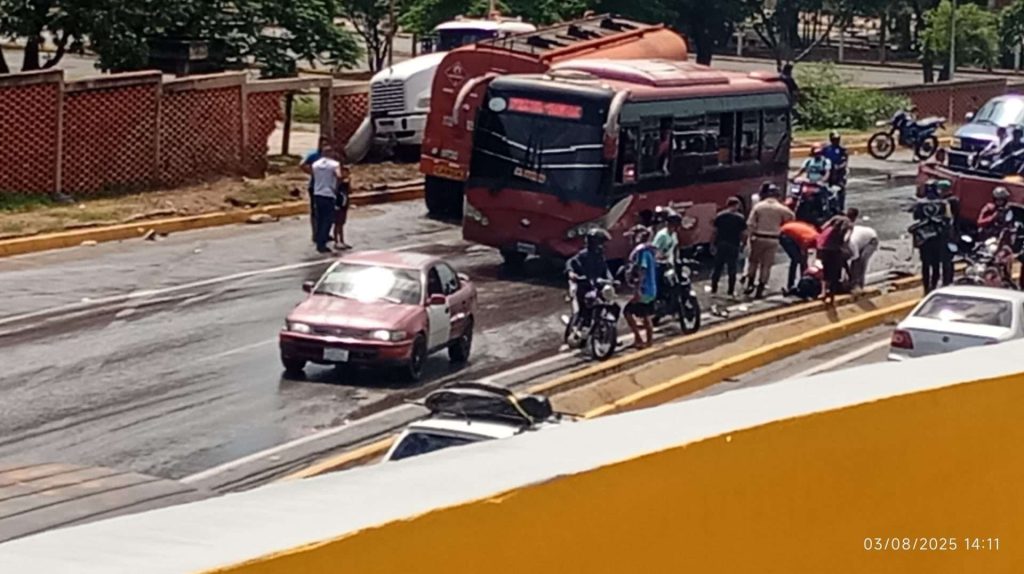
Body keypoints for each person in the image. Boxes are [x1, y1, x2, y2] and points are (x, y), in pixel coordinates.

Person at [746, 182, 795, 299]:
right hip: (773, 239)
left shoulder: (759, 206)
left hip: (758, 237)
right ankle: (760, 289)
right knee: (766, 266)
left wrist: (750, 236)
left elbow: (750, 223)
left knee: (753, 262)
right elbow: (792, 218)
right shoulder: (782, 208)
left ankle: (750, 284)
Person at [911, 180, 953, 293]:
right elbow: (948, 219)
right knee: (936, 264)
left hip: (924, 237)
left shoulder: (919, 203)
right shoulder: (943, 203)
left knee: (925, 264)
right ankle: (933, 287)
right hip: (938, 237)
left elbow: (915, 217)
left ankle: (926, 289)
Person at [566, 228, 613, 326]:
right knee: (583, 308)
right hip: (584, 285)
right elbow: (570, 262)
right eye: (601, 242)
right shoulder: (583, 254)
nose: (603, 245)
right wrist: (571, 273)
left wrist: (611, 280)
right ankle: (578, 324)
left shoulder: (599, 255)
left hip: (597, 286)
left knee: (612, 305)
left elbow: (605, 268)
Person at [624, 225, 658, 349]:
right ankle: (644, 340)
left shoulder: (642, 253)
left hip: (645, 290)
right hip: (651, 289)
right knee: (645, 315)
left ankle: (643, 340)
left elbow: (642, 272)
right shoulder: (649, 252)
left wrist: (637, 290)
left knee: (629, 312)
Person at [711, 197, 747, 297]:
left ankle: (714, 289)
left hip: (721, 244)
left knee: (717, 267)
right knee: (732, 268)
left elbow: (714, 232)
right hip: (733, 244)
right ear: (736, 205)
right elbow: (743, 233)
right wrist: (743, 245)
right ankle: (730, 291)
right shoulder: (740, 218)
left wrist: (712, 244)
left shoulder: (720, 216)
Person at [311, 144, 343, 253]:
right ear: (331, 153)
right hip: (329, 193)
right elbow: (339, 176)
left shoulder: (315, 164)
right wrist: (336, 187)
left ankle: (318, 240)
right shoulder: (334, 164)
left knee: (319, 219)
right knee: (327, 220)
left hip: (317, 193)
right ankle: (323, 243)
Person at [817, 212, 853, 304]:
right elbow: (846, 238)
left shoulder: (836, 217)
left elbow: (823, 227)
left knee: (825, 270)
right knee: (835, 273)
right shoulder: (849, 224)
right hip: (835, 250)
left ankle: (823, 292)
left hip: (823, 247)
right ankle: (832, 297)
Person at [301, 136, 330, 243]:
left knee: (327, 213)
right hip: (315, 187)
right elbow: (302, 165)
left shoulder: (331, 157)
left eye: (327, 144)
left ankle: (324, 233)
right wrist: (313, 173)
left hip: (328, 188)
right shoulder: (314, 156)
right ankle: (315, 233)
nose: (325, 147)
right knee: (315, 212)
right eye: (323, 144)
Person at [779, 220, 818, 292]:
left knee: (802, 260)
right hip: (786, 234)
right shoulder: (811, 239)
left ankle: (803, 281)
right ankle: (791, 284)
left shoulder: (815, 237)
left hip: (793, 233)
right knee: (796, 259)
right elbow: (804, 249)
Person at [845, 208, 878, 292]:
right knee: (854, 264)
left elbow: (855, 259)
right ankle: (852, 283)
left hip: (871, 240)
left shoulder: (852, 244)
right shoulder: (842, 240)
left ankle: (859, 285)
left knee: (861, 261)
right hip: (861, 238)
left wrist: (850, 275)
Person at [823, 131, 849, 210]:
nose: (836, 141)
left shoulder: (842, 149)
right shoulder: (826, 149)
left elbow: (845, 161)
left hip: (840, 172)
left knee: (841, 189)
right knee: (828, 189)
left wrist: (839, 167)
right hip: (829, 172)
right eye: (834, 139)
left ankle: (841, 207)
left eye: (837, 139)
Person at [333, 163, 352, 250]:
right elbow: (335, 191)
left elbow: (349, 191)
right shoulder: (337, 182)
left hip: (344, 204)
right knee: (337, 224)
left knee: (342, 224)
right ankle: (336, 241)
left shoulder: (346, 183)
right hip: (338, 205)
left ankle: (342, 240)